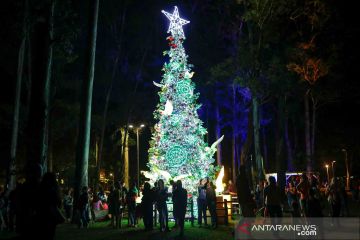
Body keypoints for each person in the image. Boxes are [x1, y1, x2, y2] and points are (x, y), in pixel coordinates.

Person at [36, 172, 64, 240]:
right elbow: (58, 202)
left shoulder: (41, 188)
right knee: (49, 234)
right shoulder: (54, 189)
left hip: (42, 214)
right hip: (50, 215)